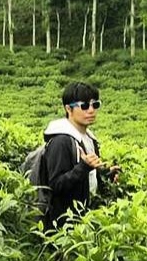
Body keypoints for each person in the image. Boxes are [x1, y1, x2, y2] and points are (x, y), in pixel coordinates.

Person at [41, 81, 119, 230]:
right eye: (84, 106)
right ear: (68, 109)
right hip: (64, 225)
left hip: (85, 220)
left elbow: (88, 178)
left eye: (95, 105)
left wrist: (106, 175)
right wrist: (83, 167)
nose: (91, 110)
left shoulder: (89, 138)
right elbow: (56, 185)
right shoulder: (61, 141)